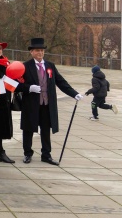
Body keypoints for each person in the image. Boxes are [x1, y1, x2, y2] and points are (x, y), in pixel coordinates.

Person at [17, 38, 83, 166]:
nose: (40, 53)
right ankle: (27, 153)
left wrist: (74, 93)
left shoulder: (50, 66)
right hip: (31, 104)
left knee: (46, 130)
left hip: (47, 105)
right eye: (37, 50)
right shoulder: (25, 66)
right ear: (31, 52)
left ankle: (46, 154)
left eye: (42, 50)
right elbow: (16, 85)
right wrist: (29, 88)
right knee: (28, 129)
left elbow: (60, 81)